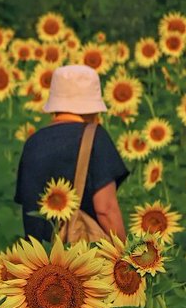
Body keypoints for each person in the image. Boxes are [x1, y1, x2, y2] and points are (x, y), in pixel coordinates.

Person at [14, 64, 128, 243]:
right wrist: (126, 255)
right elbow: (105, 209)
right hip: (81, 261)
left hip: (38, 262)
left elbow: (28, 206)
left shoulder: (33, 143)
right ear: (93, 106)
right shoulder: (96, 137)